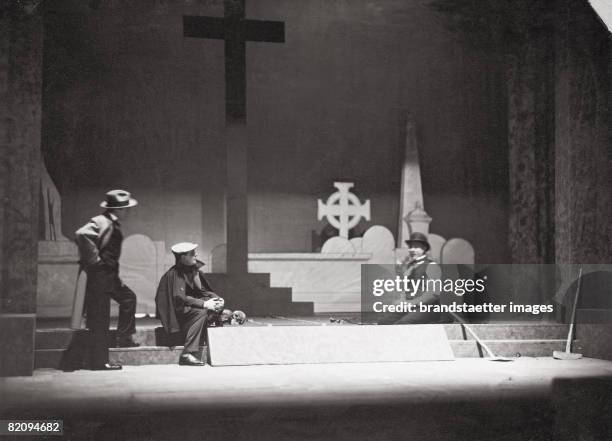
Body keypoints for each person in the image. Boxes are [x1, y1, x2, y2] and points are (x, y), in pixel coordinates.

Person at [75, 190, 140, 371]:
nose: (128, 212)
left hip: (109, 276)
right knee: (99, 319)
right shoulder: (101, 221)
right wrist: (95, 261)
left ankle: (124, 338)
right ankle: (99, 361)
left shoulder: (112, 223)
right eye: (125, 208)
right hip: (100, 276)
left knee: (128, 298)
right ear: (118, 209)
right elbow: (82, 234)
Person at [155, 242, 246, 366]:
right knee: (201, 312)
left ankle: (221, 321)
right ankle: (187, 353)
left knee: (213, 308)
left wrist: (217, 299)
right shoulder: (175, 274)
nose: (196, 254)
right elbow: (179, 298)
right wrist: (204, 304)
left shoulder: (193, 271)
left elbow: (202, 291)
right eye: (192, 253)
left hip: (188, 309)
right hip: (177, 314)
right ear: (183, 257)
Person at [394, 232, 442, 324]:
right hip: (410, 307)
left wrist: (410, 304)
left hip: (428, 309)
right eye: (410, 247)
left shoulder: (432, 266)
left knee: (401, 324)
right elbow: (406, 289)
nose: (412, 250)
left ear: (424, 248)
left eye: (416, 247)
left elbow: (433, 295)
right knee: (384, 322)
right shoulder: (409, 266)